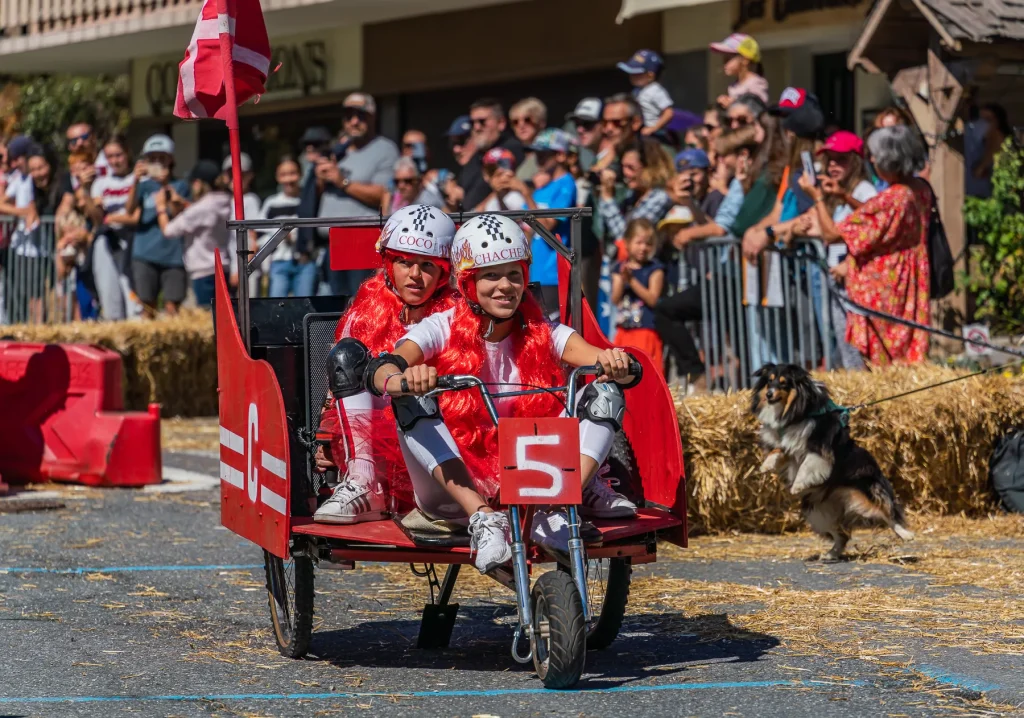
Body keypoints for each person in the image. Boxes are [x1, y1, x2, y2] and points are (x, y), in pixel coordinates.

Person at [366, 214, 639, 572]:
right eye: (491, 275)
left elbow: (592, 355)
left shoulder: (544, 330)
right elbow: (386, 366)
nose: (505, 286)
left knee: (604, 392)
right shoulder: (440, 326)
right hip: (454, 491)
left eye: (514, 274)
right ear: (468, 283)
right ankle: (484, 519)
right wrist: (404, 380)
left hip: (532, 481)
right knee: (411, 400)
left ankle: (553, 508)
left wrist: (615, 362)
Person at [314, 205, 458, 524]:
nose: (415, 276)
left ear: (444, 272)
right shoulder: (363, 313)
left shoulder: (459, 316)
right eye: (404, 263)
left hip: (443, 444)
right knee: (347, 355)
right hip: (376, 447)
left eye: (427, 265)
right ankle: (364, 484)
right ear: (389, 264)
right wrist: (326, 436)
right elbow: (338, 387)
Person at [798, 124, 930, 366]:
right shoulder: (919, 189)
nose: (871, 160)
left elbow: (831, 235)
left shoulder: (894, 198)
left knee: (883, 362)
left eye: (875, 156)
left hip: (886, 288)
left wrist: (817, 196)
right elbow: (877, 217)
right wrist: (844, 196)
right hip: (907, 279)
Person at [790, 130, 877, 370]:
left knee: (857, 351)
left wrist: (819, 197)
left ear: (857, 161)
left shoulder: (864, 190)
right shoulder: (837, 192)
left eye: (842, 159)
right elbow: (831, 231)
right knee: (844, 349)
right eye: (830, 159)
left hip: (856, 283)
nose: (834, 165)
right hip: (840, 283)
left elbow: (874, 221)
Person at [318, 92, 400, 297]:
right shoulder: (339, 150)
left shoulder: (385, 149)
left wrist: (342, 182)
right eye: (348, 115)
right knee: (330, 310)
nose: (354, 121)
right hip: (330, 244)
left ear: (373, 117)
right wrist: (319, 182)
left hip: (360, 242)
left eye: (361, 115)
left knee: (360, 304)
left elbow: (384, 193)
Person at [125, 133, 191, 318]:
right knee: (147, 306)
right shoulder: (143, 186)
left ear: (170, 160)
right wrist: (135, 181)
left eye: (161, 158)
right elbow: (129, 210)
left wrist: (165, 187)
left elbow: (180, 215)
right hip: (144, 253)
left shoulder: (181, 186)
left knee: (172, 307)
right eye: (151, 158)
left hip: (174, 255)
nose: (156, 162)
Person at [154, 160, 232, 309]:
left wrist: (161, 208)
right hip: (222, 267)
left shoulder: (202, 208)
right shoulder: (224, 201)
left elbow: (169, 230)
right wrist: (183, 203)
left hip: (204, 272)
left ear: (198, 183)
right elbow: (203, 214)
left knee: (209, 320)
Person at [89, 136, 138, 320]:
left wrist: (113, 217)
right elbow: (98, 219)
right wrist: (86, 192)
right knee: (110, 299)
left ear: (127, 154)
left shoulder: (137, 178)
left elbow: (134, 216)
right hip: (108, 241)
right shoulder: (100, 183)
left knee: (133, 298)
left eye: (118, 155)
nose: (114, 161)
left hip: (132, 241)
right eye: (109, 156)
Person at [598, 138, 674, 248]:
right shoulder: (631, 196)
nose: (625, 173)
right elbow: (603, 229)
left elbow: (628, 238)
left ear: (649, 168)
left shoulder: (660, 198)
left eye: (630, 168)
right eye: (623, 167)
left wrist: (608, 199)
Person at [612, 218, 665, 374]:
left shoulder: (655, 269)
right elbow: (615, 298)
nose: (643, 248)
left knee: (646, 372)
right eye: (639, 242)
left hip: (646, 330)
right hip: (624, 330)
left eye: (648, 243)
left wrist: (632, 281)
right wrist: (622, 279)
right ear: (627, 243)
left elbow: (652, 299)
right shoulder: (619, 268)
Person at [453, 99, 525, 210]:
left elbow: (503, 187)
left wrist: (474, 214)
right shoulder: (476, 156)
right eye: (473, 123)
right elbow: (461, 191)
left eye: (482, 121)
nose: (477, 127)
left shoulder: (510, 150)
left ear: (501, 123)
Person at [260, 157, 313, 298]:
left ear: (300, 174)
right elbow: (261, 235)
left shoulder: (308, 200)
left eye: (293, 173)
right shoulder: (271, 203)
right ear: (277, 177)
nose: (289, 179)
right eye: (283, 174)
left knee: (305, 305)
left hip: (305, 261)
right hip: (279, 261)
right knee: (277, 306)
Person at [222, 152, 262, 295]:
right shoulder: (224, 201)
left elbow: (253, 240)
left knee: (248, 311)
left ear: (250, 176)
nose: (235, 178)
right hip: (229, 265)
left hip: (246, 267)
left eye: (240, 174)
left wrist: (241, 270)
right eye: (231, 174)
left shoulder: (250, 200)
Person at [617, 49, 674, 138]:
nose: (631, 76)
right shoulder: (636, 91)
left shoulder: (656, 90)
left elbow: (668, 112)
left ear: (650, 76)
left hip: (655, 134)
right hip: (640, 130)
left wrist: (654, 128)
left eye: (636, 73)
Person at [710, 33, 769, 106]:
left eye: (728, 59)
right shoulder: (734, 86)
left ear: (745, 60)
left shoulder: (756, 83)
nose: (724, 64)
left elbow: (758, 109)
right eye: (724, 59)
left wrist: (733, 104)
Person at [509, 98, 547, 183]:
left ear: (541, 122)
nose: (521, 125)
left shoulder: (550, 154)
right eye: (515, 122)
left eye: (527, 120)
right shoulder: (513, 154)